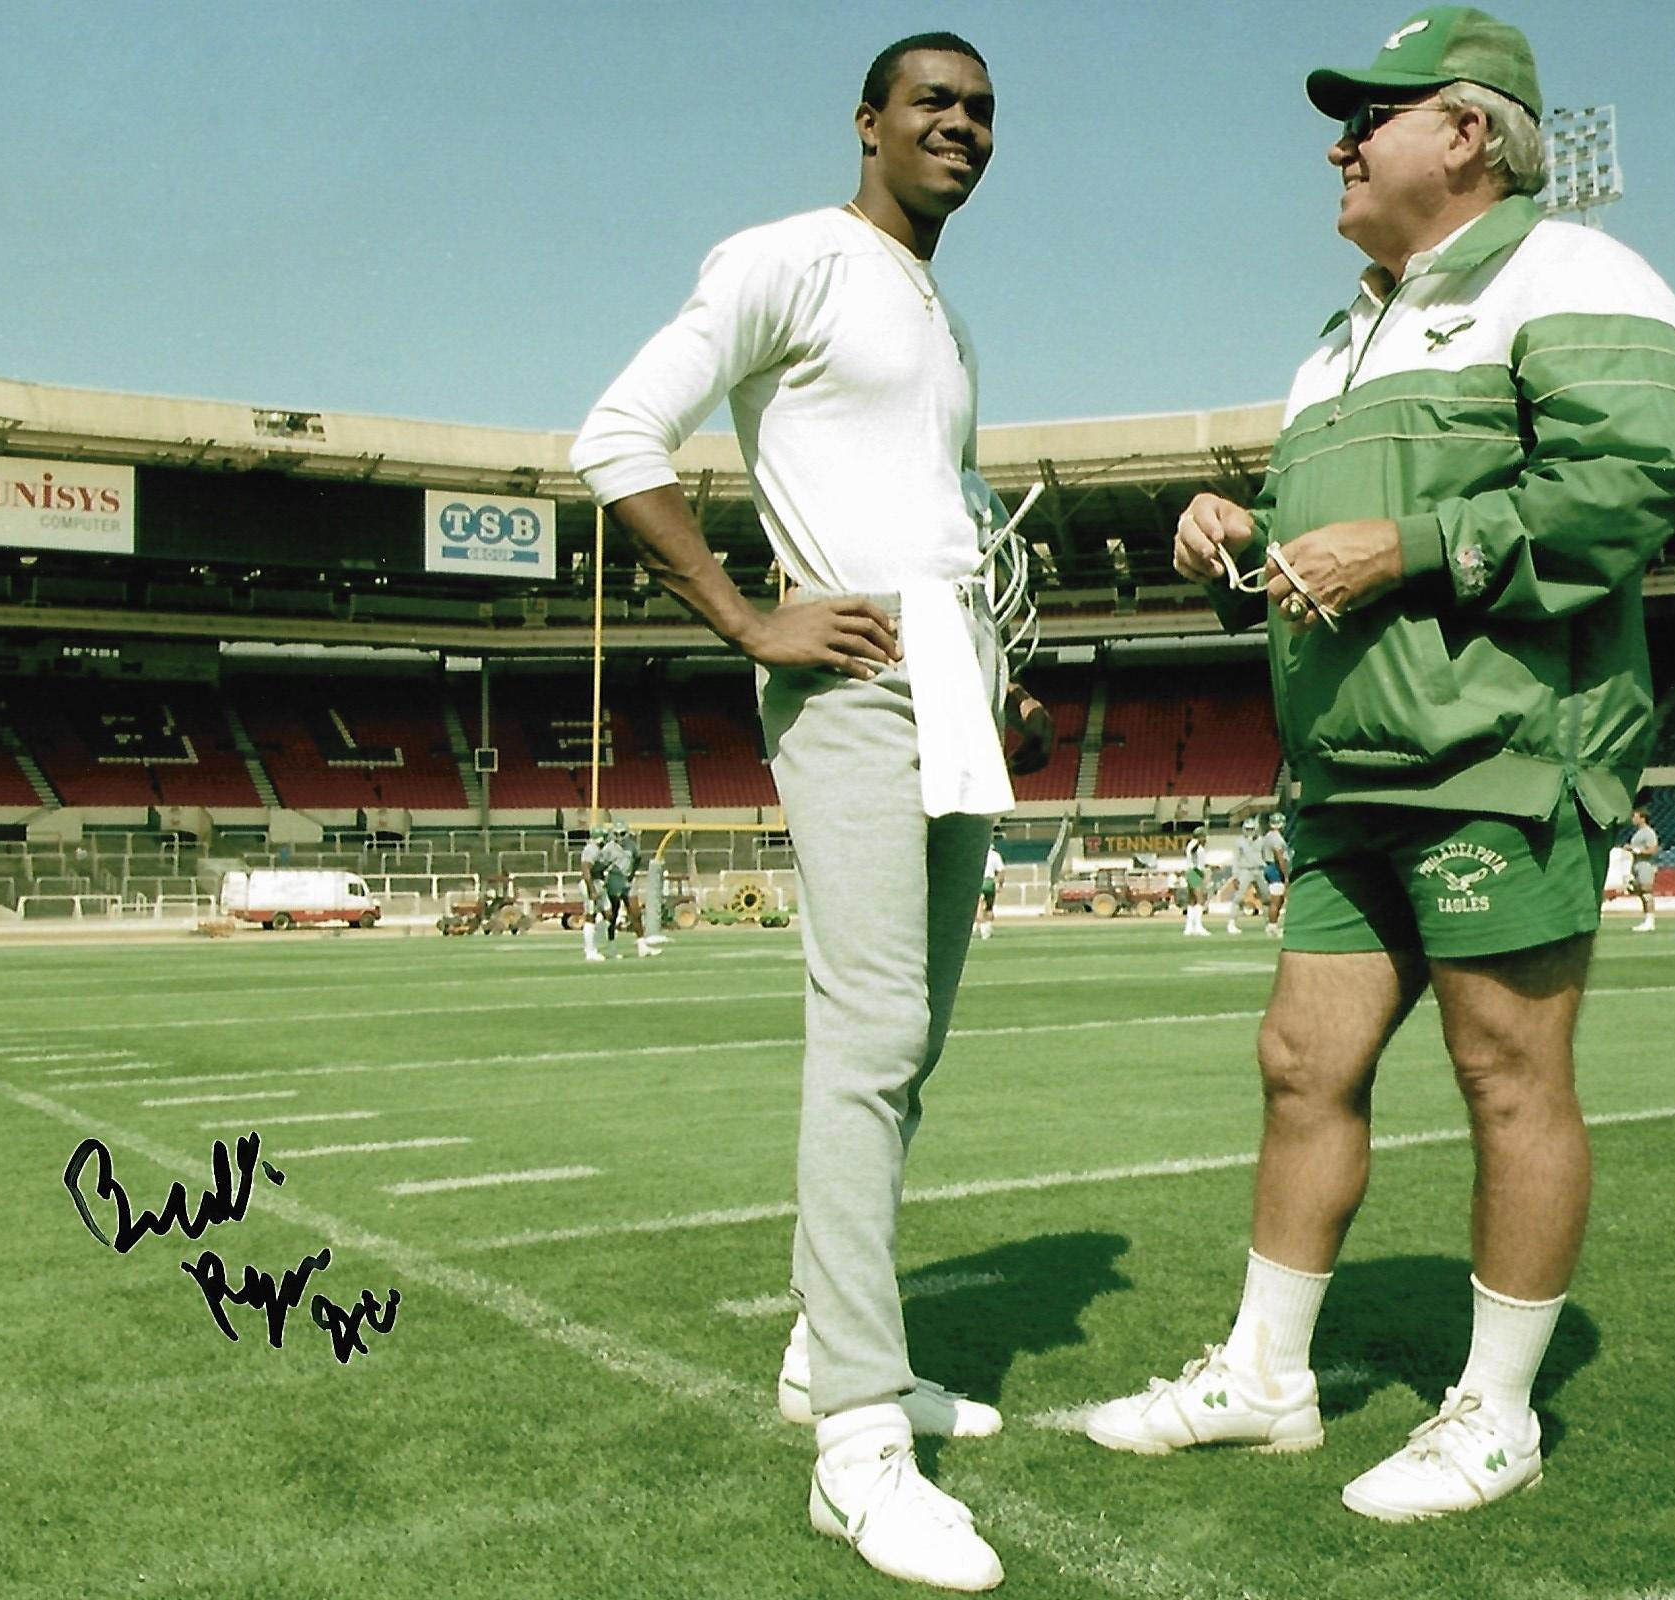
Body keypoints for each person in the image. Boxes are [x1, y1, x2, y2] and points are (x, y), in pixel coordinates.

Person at [1088, 8, 1675, 1525]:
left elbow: (1629, 485)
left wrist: (1413, 543)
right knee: (1301, 1064)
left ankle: (1495, 1415)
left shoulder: (1578, 275)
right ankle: (1267, 1380)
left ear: (1471, 133)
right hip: (1352, 776)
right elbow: (1331, 566)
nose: (1338, 139)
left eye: (1373, 110)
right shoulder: (1336, 337)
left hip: (1499, 752)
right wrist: (1242, 547)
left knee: (1507, 1074)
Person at [571, 31, 1046, 1591]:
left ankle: (821, 1348)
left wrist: (1004, 678)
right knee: (866, 1034)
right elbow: (615, 440)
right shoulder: (789, 256)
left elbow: (943, 518)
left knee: (911, 1046)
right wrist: (744, 617)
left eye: (981, 109)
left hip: (953, 685)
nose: (961, 126)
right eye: (933, 102)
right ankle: (856, 1439)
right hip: (848, 684)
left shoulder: (944, 311)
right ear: (867, 121)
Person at [601, 819, 662, 957]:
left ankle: (642, 945)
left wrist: (632, 874)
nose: (619, 837)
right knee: (613, 915)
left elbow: (637, 858)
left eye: (622, 834)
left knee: (635, 913)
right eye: (616, 834)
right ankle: (611, 946)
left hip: (628, 882)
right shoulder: (609, 848)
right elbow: (602, 864)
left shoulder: (631, 845)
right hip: (615, 881)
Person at [1225, 817, 1268, 936]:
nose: (1249, 832)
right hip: (1245, 870)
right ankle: (1232, 922)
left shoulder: (1261, 840)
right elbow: (1236, 859)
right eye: (1247, 829)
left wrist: (1266, 869)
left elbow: (1265, 856)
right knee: (1238, 898)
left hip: (1259, 870)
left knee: (1266, 897)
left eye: (1251, 829)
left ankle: (1269, 923)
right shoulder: (1240, 841)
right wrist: (1235, 876)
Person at [579, 824, 609, 962]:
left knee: (608, 914)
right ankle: (590, 950)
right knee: (590, 916)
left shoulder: (596, 849)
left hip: (597, 883)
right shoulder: (592, 849)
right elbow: (586, 869)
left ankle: (597, 945)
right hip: (591, 884)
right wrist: (592, 889)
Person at [1627, 807, 1659, 932]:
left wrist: (1635, 849)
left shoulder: (1648, 832)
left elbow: (1653, 849)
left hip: (1645, 865)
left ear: (1642, 818)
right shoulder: (1638, 832)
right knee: (1641, 892)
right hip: (1637, 864)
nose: (1633, 819)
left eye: (1635, 816)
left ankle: (1650, 922)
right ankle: (1647, 920)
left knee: (1647, 892)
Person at [1261, 810, 1293, 938]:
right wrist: (1285, 875)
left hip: (1271, 867)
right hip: (1275, 868)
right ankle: (1272, 926)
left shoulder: (1268, 836)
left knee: (1278, 899)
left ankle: (1272, 926)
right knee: (1276, 900)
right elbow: (1279, 856)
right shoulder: (1276, 838)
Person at [1181, 825, 1211, 937]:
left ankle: (1189, 927)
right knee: (1200, 899)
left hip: (1190, 872)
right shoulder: (1196, 846)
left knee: (1192, 900)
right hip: (1195, 873)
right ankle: (1198, 926)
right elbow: (1197, 862)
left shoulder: (1191, 845)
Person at [976, 837, 1004, 939]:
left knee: (979, 906)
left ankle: (983, 930)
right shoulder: (995, 855)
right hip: (990, 883)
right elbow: (1001, 871)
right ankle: (987, 929)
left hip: (980, 882)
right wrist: (999, 884)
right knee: (989, 908)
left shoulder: (977, 854)